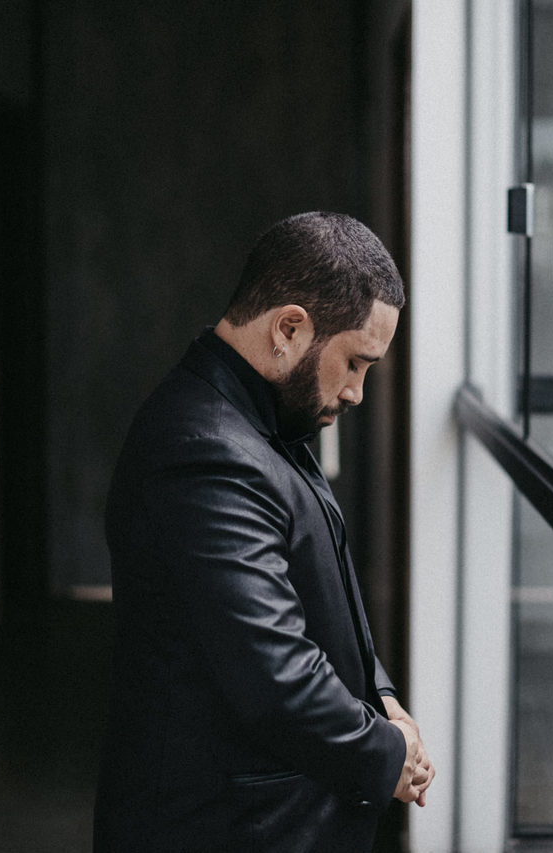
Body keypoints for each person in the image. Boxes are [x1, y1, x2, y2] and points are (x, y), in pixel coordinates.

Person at [93, 211, 433, 852]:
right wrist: (388, 753)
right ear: (288, 328)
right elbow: (274, 672)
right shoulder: (202, 451)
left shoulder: (266, 416)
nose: (358, 392)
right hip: (219, 829)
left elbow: (320, 592)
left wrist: (382, 698)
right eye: (355, 363)